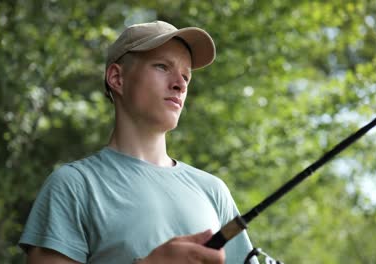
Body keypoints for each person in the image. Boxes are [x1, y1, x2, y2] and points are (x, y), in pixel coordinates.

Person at [19, 20, 258, 264]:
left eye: (186, 76)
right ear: (117, 78)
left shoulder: (214, 192)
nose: (180, 83)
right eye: (162, 67)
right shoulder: (73, 186)